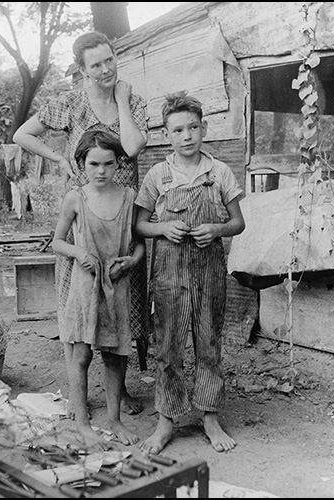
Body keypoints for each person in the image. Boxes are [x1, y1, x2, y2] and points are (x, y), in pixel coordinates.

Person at [13, 31, 148, 415]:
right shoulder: (70, 103)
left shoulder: (132, 101)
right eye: (96, 65)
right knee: (81, 302)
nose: (106, 70)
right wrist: (58, 158)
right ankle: (79, 395)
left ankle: (117, 392)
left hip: (122, 217)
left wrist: (119, 99)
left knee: (122, 301)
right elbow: (22, 134)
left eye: (109, 60)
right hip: (84, 217)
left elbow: (134, 147)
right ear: (81, 70)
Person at [134, 92, 246, 454]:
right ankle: (166, 421)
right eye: (178, 129)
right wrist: (162, 229)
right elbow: (139, 225)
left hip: (209, 270)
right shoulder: (158, 175)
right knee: (168, 347)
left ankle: (209, 416)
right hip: (168, 273)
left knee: (209, 343)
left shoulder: (220, 172)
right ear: (167, 134)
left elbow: (238, 223)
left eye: (193, 128)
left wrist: (216, 229)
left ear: (204, 128)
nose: (187, 136)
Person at [51, 130, 145, 450]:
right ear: (81, 164)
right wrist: (79, 253)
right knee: (82, 353)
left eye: (108, 163)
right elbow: (57, 241)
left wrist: (130, 262)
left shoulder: (129, 196)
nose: (101, 171)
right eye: (93, 164)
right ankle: (82, 424)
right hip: (85, 285)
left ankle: (115, 420)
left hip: (116, 285)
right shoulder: (76, 198)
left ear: (118, 164)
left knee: (116, 356)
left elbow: (140, 245)